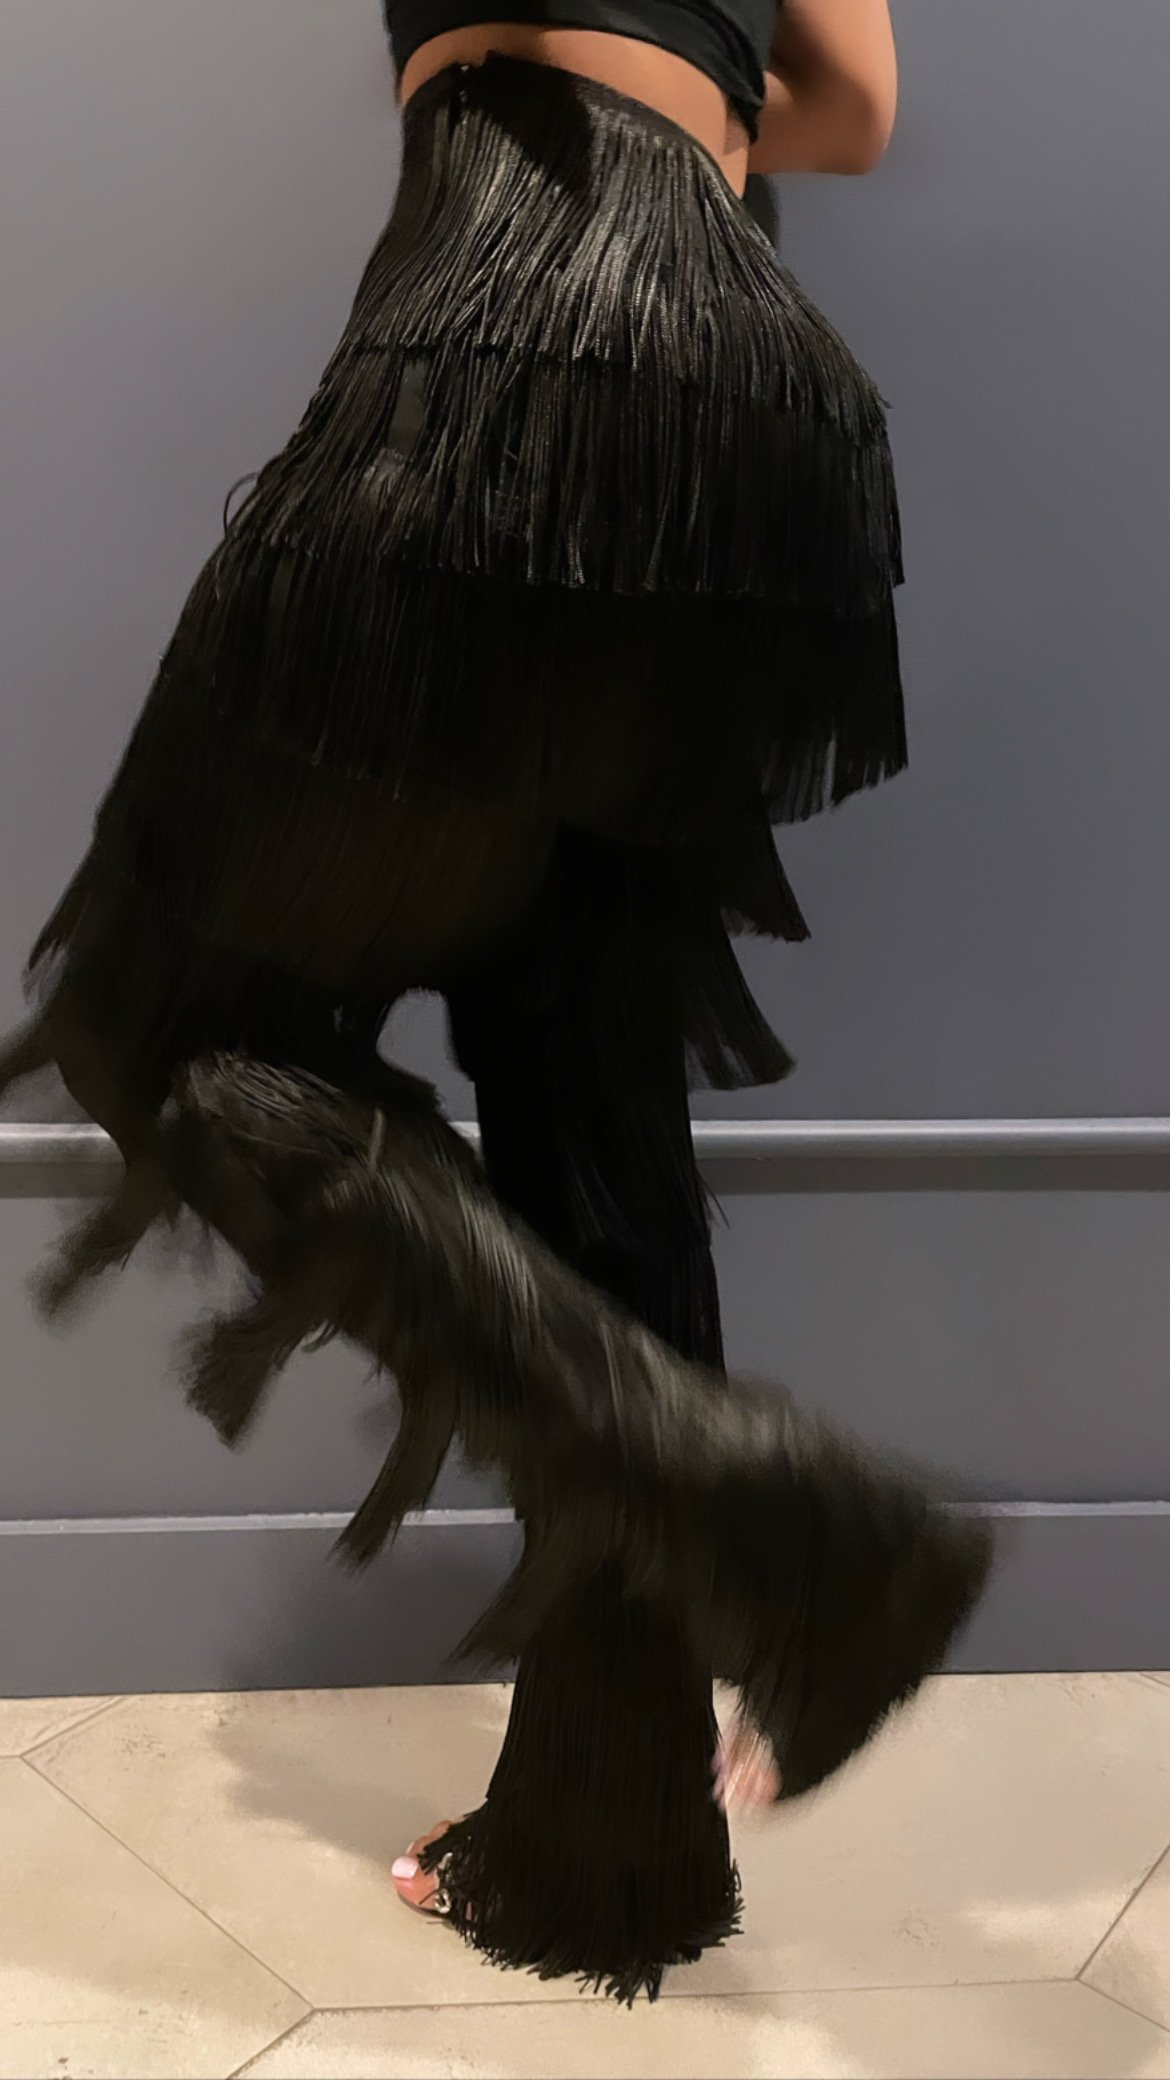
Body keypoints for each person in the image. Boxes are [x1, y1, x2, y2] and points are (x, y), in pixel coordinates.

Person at [0, 0, 992, 2004]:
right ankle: (605, 1848)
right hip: (738, 384)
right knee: (586, 1105)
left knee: (160, 1029)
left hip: (503, 330)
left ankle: (779, 1523)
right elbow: (852, 108)